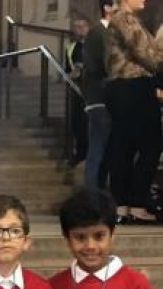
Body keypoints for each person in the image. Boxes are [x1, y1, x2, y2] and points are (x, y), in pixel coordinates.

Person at [105, 0, 163, 224]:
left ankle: (126, 205)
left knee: (126, 146)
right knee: (150, 144)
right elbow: (147, 54)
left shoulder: (130, 20)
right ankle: (134, 203)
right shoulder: (124, 19)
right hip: (131, 87)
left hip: (128, 88)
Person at [83, 1, 116, 189]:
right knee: (97, 152)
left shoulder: (112, 33)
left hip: (109, 100)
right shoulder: (97, 33)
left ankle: (101, 195)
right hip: (99, 101)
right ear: (107, 8)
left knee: (106, 153)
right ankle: (92, 197)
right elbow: (96, 66)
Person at [66, 18, 89, 169]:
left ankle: (89, 151)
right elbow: (65, 68)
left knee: (89, 122)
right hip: (76, 88)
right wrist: (71, 73)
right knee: (77, 121)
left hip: (92, 89)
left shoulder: (94, 45)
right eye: (76, 26)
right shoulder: (71, 47)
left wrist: (85, 68)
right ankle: (80, 151)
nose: (79, 29)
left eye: (82, 26)